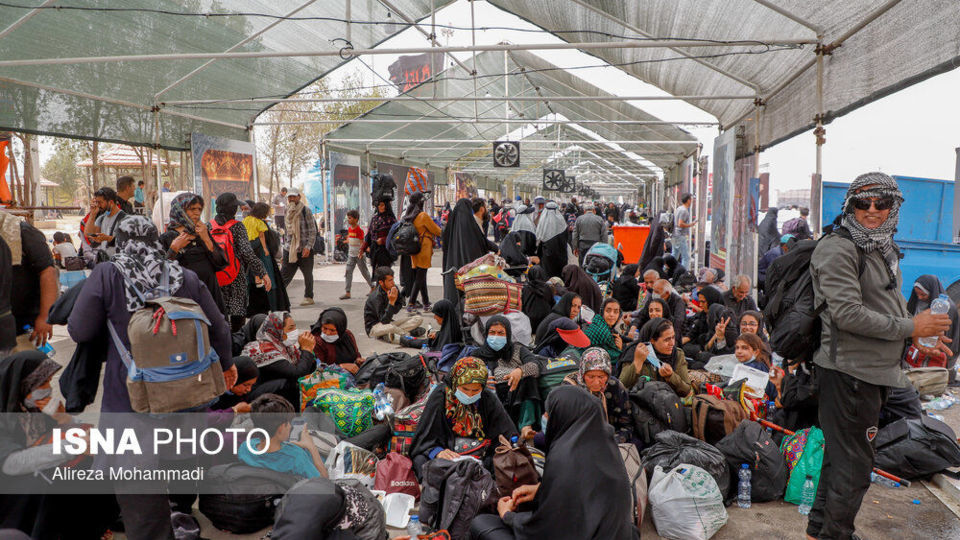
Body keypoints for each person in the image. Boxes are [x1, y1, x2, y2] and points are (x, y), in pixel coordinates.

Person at [806, 172, 951, 540]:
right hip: (849, 373)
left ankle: (820, 532)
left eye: (881, 203)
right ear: (850, 206)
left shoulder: (880, 247)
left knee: (842, 460)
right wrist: (911, 329)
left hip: (873, 372)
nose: (872, 211)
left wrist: (916, 338)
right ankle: (834, 534)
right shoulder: (839, 248)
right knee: (854, 467)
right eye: (862, 203)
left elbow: (885, 305)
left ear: (894, 207)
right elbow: (846, 313)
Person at [68, 215, 236, 413]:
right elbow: (220, 328)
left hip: (127, 393)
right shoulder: (185, 277)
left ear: (120, 242)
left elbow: (80, 331)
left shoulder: (107, 274)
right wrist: (227, 363)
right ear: (155, 240)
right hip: (185, 392)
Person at [469, 385, 639, 540]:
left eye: (549, 413)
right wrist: (542, 490)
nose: (545, 417)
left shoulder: (564, 457)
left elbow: (548, 528)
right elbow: (585, 494)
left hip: (573, 532)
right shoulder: (607, 449)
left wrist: (508, 516)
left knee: (481, 524)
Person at [0, 351, 117, 539]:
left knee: (96, 468)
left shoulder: (35, 407)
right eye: (42, 383)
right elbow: (11, 463)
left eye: (49, 381)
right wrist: (71, 446)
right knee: (50, 483)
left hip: (44, 471)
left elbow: (80, 434)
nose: (48, 388)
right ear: (23, 384)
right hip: (16, 487)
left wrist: (65, 419)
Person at [409, 357, 518, 476]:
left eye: (475, 390)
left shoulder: (487, 398)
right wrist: (438, 452)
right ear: (455, 383)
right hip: (447, 454)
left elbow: (506, 434)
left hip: (480, 455)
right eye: (465, 389)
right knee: (421, 462)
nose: (470, 395)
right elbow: (424, 439)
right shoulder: (441, 396)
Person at [470, 316, 545, 428]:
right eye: (492, 332)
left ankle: (526, 425)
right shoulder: (477, 354)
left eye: (501, 333)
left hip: (518, 396)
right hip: (491, 398)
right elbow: (465, 375)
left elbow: (536, 365)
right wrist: (478, 380)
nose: (496, 337)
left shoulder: (517, 349)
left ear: (508, 334)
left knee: (529, 380)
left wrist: (520, 371)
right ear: (486, 334)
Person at [160, 192, 228, 314]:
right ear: (179, 210)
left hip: (210, 293)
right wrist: (174, 249)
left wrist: (206, 238)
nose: (197, 213)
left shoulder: (202, 233)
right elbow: (161, 272)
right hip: (184, 298)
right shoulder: (167, 238)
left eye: (199, 209)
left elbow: (221, 263)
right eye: (192, 209)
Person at [213, 193, 270, 330]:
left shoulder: (209, 226)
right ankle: (236, 343)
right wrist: (262, 272)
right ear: (232, 209)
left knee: (219, 315)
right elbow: (246, 252)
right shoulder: (237, 227)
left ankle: (223, 343)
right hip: (236, 277)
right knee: (237, 314)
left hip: (215, 278)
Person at [0, 211, 55, 353]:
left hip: (24, 324)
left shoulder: (21, 230)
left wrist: (45, 317)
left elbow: (48, 272)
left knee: (34, 370)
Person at [239, 393, 327, 478]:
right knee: (313, 413)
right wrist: (311, 447)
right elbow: (323, 483)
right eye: (288, 423)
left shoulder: (245, 448)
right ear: (281, 427)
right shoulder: (295, 457)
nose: (290, 426)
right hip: (320, 460)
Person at [241, 311, 317, 406]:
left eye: (294, 327)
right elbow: (297, 374)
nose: (295, 331)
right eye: (290, 328)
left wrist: (307, 351)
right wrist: (306, 350)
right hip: (251, 394)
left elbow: (305, 367)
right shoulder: (265, 350)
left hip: (269, 387)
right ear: (278, 330)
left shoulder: (283, 346)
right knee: (290, 384)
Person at [561, 347, 635, 444]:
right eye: (591, 377)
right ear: (583, 374)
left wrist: (612, 442)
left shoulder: (614, 386)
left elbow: (626, 425)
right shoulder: (570, 388)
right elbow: (563, 425)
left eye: (601, 377)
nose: (596, 382)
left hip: (609, 438)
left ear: (608, 375)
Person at [441, 199, 498, 308]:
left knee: (453, 292)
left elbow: (445, 246)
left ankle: (452, 312)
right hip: (470, 269)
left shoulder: (451, 227)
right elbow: (483, 243)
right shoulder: (471, 226)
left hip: (452, 264)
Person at [906, 275, 960, 383]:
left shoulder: (947, 308)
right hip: (921, 346)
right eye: (917, 294)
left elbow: (948, 338)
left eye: (923, 294)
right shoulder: (917, 302)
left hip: (939, 351)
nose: (920, 297)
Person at [620, 318, 693, 397]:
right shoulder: (636, 352)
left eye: (673, 337)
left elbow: (686, 390)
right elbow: (621, 385)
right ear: (652, 340)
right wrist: (637, 363)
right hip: (639, 403)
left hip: (667, 404)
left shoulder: (677, 354)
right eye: (667, 339)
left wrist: (671, 376)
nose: (672, 343)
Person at [244, 202, 288, 315]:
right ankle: (273, 309)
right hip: (261, 253)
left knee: (252, 279)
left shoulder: (245, 220)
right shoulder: (261, 223)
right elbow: (262, 236)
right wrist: (265, 249)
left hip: (248, 252)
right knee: (270, 281)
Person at [404, 191, 442, 311]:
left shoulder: (408, 216)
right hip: (423, 250)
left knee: (421, 277)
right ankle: (411, 303)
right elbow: (437, 230)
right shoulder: (423, 216)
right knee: (420, 277)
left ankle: (426, 303)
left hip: (413, 249)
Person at [364, 266, 423, 343]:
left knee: (418, 318)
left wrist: (393, 303)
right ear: (381, 282)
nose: (393, 283)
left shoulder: (393, 288)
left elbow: (399, 305)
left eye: (393, 279)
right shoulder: (376, 297)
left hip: (389, 322)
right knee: (391, 327)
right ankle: (408, 336)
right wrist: (391, 302)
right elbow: (384, 321)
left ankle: (390, 335)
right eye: (390, 280)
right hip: (375, 328)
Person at [280, 187, 317, 306]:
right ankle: (278, 298)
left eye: (293, 196)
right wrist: (284, 250)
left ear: (298, 197)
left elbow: (312, 231)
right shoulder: (287, 211)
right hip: (290, 249)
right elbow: (287, 232)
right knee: (284, 276)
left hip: (304, 249)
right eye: (289, 197)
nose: (291, 199)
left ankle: (309, 296)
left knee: (307, 274)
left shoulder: (306, 211)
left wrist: (308, 247)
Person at [310, 307, 363, 374]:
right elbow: (319, 369)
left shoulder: (347, 335)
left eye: (332, 330)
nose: (328, 333)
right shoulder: (316, 342)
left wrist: (358, 360)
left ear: (340, 329)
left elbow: (356, 354)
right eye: (324, 328)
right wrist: (341, 366)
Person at [733, 332, 779, 400]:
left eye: (744, 348)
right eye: (737, 348)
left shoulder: (754, 368)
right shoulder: (755, 364)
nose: (739, 351)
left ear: (756, 352)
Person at [84, 186, 127, 258]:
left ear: (111, 202)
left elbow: (126, 242)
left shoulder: (124, 219)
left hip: (119, 262)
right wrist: (92, 215)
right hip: (106, 261)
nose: (98, 205)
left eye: (100, 202)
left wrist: (107, 238)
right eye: (96, 202)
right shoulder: (102, 218)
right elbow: (88, 234)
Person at [340, 209, 372, 300]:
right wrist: (346, 241)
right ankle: (347, 292)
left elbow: (362, 243)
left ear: (356, 219)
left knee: (364, 272)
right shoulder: (350, 229)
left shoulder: (359, 230)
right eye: (348, 218)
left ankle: (372, 287)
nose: (348, 220)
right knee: (348, 272)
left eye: (350, 218)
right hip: (351, 255)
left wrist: (362, 252)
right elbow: (351, 239)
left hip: (359, 255)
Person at [583, 298, 624, 366]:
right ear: (602, 312)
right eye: (608, 311)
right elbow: (609, 358)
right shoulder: (603, 332)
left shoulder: (598, 320)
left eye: (616, 312)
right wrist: (619, 349)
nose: (612, 314)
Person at [534, 201, 568, 279]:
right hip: (561, 255)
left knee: (547, 276)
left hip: (547, 255)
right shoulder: (562, 222)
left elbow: (539, 238)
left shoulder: (542, 222)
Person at [362, 197, 397, 274]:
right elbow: (369, 234)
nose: (379, 207)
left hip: (385, 252)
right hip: (375, 251)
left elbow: (395, 236)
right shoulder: (375, 218)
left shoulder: (391, 220)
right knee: (376, 274)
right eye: (378, 205)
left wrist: (383, 240)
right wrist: (363, 248)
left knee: (384, 274)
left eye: (382, 205)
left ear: (386, 206)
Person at [521, 266, 554, 334]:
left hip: (530, 322)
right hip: (545, 322)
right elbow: (552, 303)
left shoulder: (526, 289)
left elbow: (523, 305)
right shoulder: (547, 288)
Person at [672, 193, 696, 267]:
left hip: (674, 234)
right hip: (680, 235)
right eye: (691, 199)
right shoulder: (684, 211)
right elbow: (680, 224)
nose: (692, 201)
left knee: (674, 255)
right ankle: (684, 275)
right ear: (688, 200)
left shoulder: (679, 208)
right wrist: (691, 225)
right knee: (686, 257)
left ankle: (666, 269)